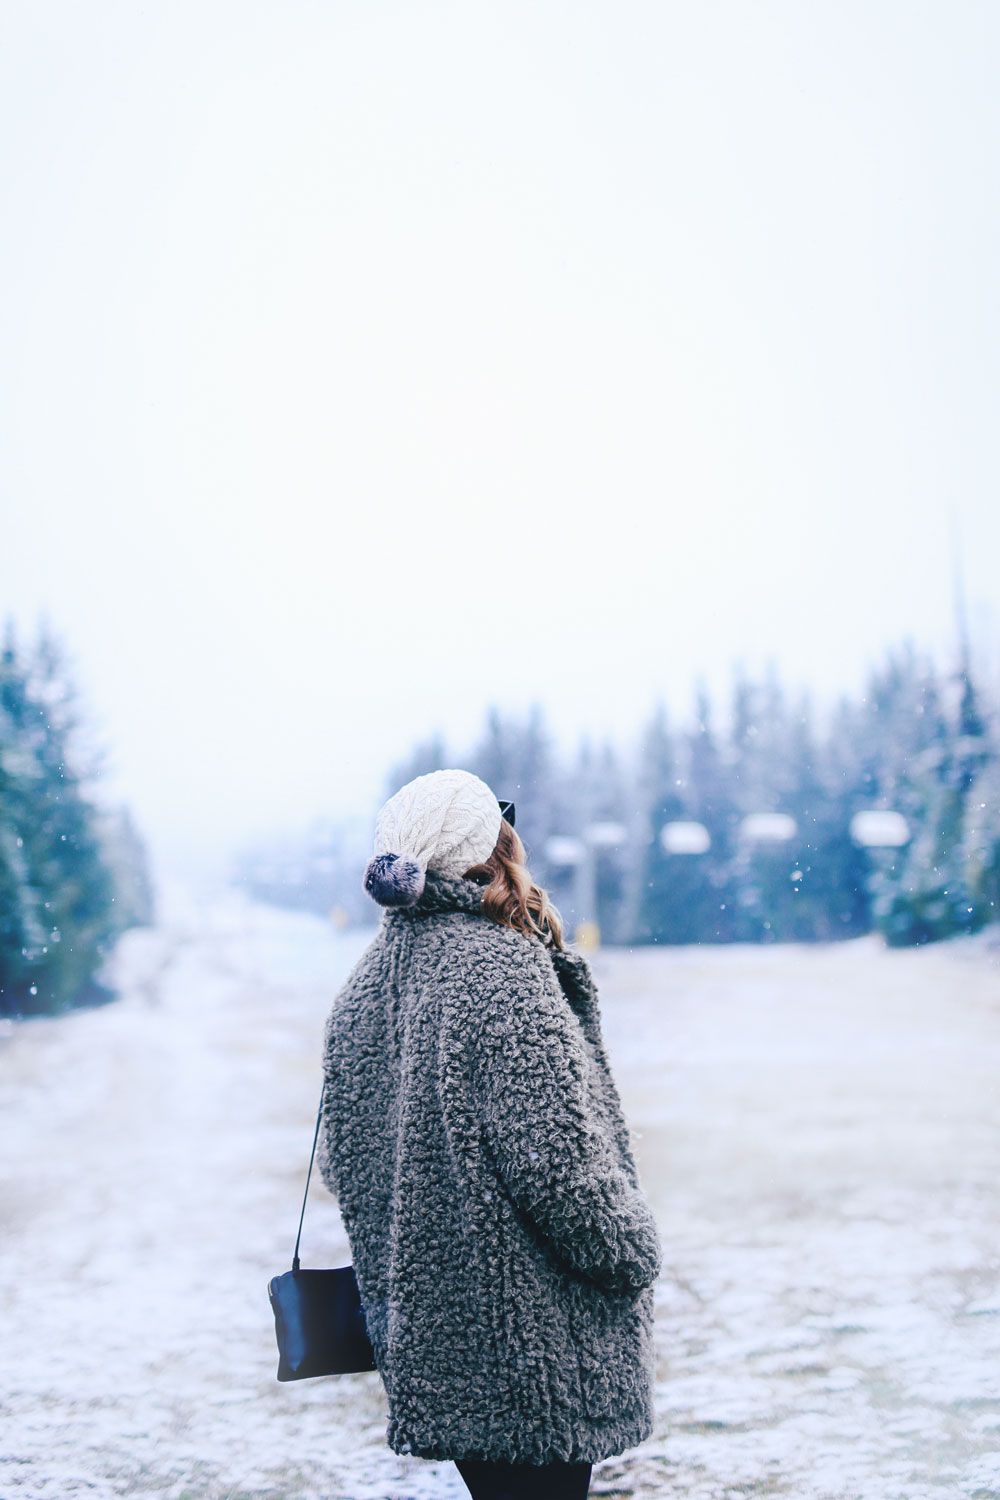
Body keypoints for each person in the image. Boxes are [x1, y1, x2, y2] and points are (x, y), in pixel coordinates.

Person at [318, 769, 661, 1500]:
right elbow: (558, 1164)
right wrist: (629, 1249)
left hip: (444, 1336)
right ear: (492, 849)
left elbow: (346, 1166)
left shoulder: (363, 988)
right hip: (532, 1340)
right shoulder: (499, 970)